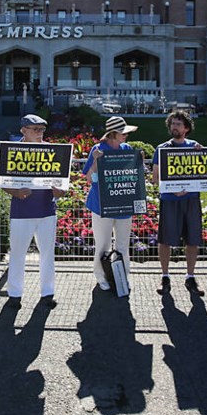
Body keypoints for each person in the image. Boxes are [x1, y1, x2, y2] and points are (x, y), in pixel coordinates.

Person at [2, 114, 65, 308]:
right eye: (35, 129)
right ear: (23, 130)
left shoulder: (52, 151)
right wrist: (16, 192)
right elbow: (3, 183)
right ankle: (14, 294)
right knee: (18, 254)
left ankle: (47, 293)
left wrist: (58, 191)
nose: (39, 133)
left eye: (42, 130)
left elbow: (62, 188)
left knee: (47, 254)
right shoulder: (13, 151)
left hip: (47, 210)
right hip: (21, 212)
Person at [151, 109, 205, 296]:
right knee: (165, 240)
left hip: (191, 200)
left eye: (178, 124)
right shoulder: (162, 149)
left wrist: (201, 153)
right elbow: (155, 178)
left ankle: (190, 277)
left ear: (187, 128)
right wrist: (172, 188)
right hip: (169, 200)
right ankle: (165, 276)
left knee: (192, 239)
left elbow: (203, 172)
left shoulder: (195, 147)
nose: (174, 127)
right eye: (172, 123)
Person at [82, 116, 138, 292]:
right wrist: (97, 162)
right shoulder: (97, 149)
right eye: (123, 133)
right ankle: (101, 277)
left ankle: (123, 277)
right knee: (103, 244)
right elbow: (91, 178)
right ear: (113, 134)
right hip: (101, 205)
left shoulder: (127, 149)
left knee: (123, 245)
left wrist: (139, 162)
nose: (126, 136)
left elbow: (133, 177)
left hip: (123, 204)